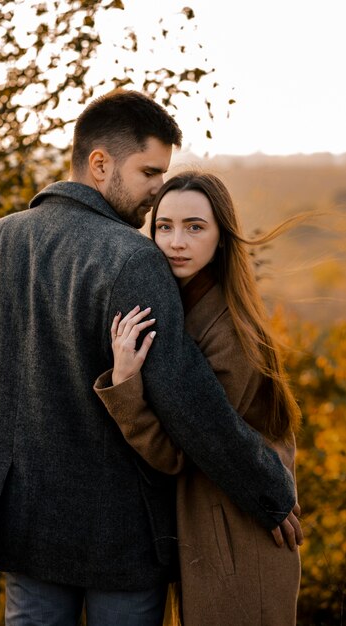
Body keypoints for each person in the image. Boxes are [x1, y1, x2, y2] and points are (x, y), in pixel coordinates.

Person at [0, 90, 300, 626]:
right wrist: (270, 488)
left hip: (22, 521)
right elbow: (187, 398)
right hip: (121, 532)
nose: (156, 192)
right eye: (148, 173)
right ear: (99, 164)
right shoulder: (133, 256)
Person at [94, 170, 303, 625]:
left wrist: (126, 385)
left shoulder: (229, 329)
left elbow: (181, 454)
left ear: (221, 238)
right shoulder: (184, 307)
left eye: (194, 227)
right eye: (164, 226)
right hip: (215, 534)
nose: (176, 242)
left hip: (240, 541)